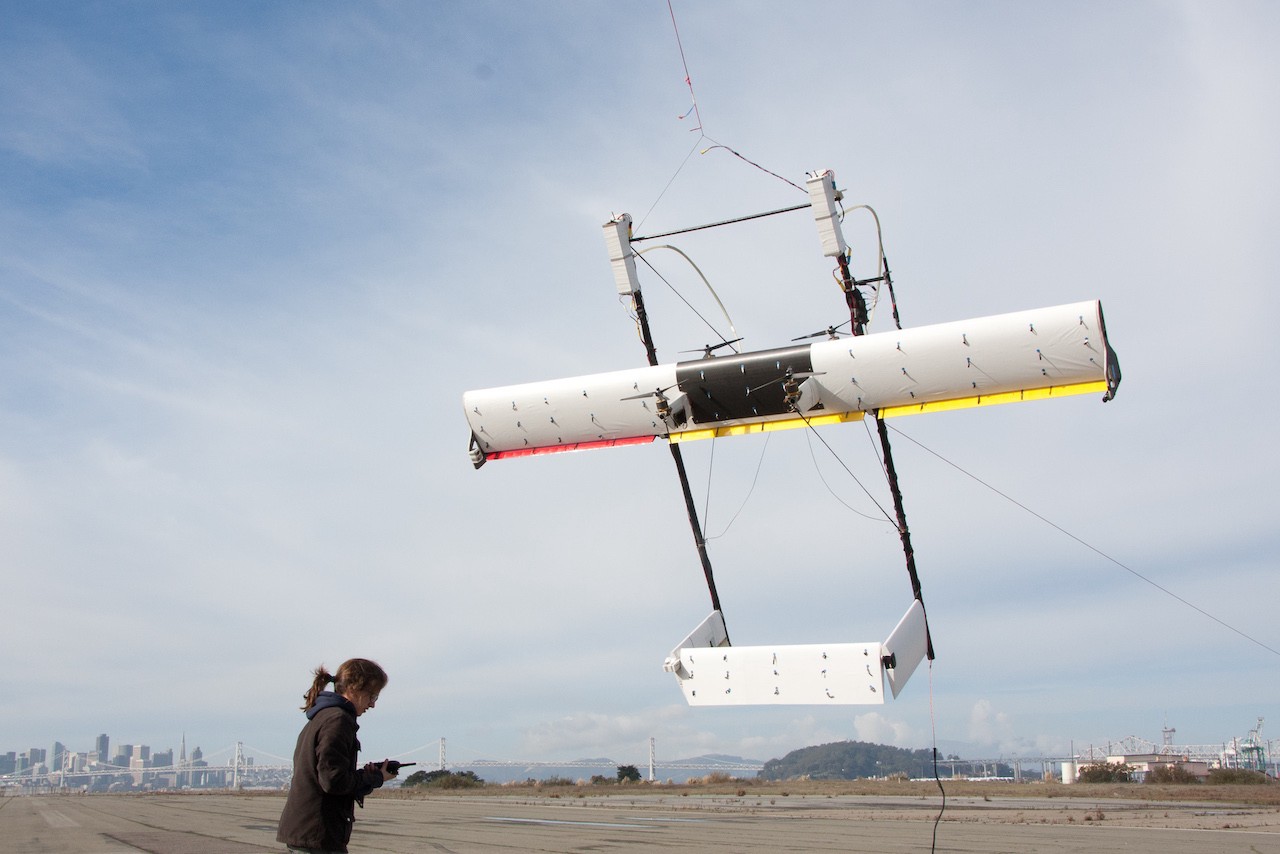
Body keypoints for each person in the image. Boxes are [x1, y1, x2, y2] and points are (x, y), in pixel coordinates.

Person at [277, 658, 398, 853]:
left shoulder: (322, 716)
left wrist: (366, 777)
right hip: (318, 836)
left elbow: (327, 775)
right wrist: (375, 777)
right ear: (354, 688)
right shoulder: (338, 720)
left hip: (307, 832)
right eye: (372, 696)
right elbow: (333, 781)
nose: (373, 704)